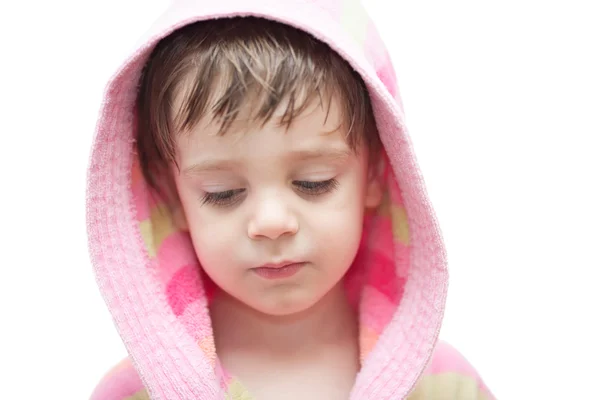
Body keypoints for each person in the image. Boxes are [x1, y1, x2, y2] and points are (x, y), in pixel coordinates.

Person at [87, 1, 495, 399]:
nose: (271, 222)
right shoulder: (133, 393)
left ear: (376, 170)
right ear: (171, 195)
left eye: (313, 182)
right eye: (222, 193)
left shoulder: (447, 387)